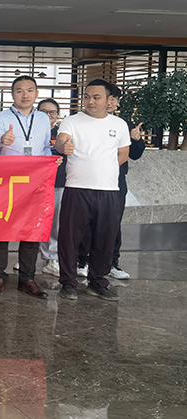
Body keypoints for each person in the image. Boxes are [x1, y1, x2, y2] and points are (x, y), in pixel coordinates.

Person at [56, 80, 132, 301]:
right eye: (87, 96)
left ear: (109, 100)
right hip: (77, 188)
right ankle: (68, 283)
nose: (90, 101)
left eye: (96, 97)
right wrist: (63, 147)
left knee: (104, 238)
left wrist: (102, 170)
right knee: (70, 238)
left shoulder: (119, 124)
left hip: (108, 190)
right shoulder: (72, 121)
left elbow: (122, 155)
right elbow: (61, 142)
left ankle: (97, 282)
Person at [0, 75, 51, 299]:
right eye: (19, 91)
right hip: (6, 183)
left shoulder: (43, 118)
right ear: (12, 94)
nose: (25, 95)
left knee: (31, 231)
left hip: (34, 184)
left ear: (36, 94)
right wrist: (3, 139)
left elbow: (45, 147)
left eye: (30, 90)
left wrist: (51, 162)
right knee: (1, 230)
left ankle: (27, 278)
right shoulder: (0, 119)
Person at [76, 86, 145, 280]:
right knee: (86, 222)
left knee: (112, 222)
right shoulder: (82, 122)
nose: (111, 102)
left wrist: (137, 140)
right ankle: (82, 261)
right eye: (108, 98)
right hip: (87, 179)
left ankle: (111, 263)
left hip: (115, 181)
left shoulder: (124, 124)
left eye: (114, 99)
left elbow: (135, 154)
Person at [37, 99, 65, 276]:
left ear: (57, 115)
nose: (48, 116)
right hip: (34, 183)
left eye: (52, 112)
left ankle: (51, 257)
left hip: (57, 182)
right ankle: (27, 257)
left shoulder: (63, 133)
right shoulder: (31, 132)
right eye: (43, 112)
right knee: (32, 221)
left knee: (54, 222)